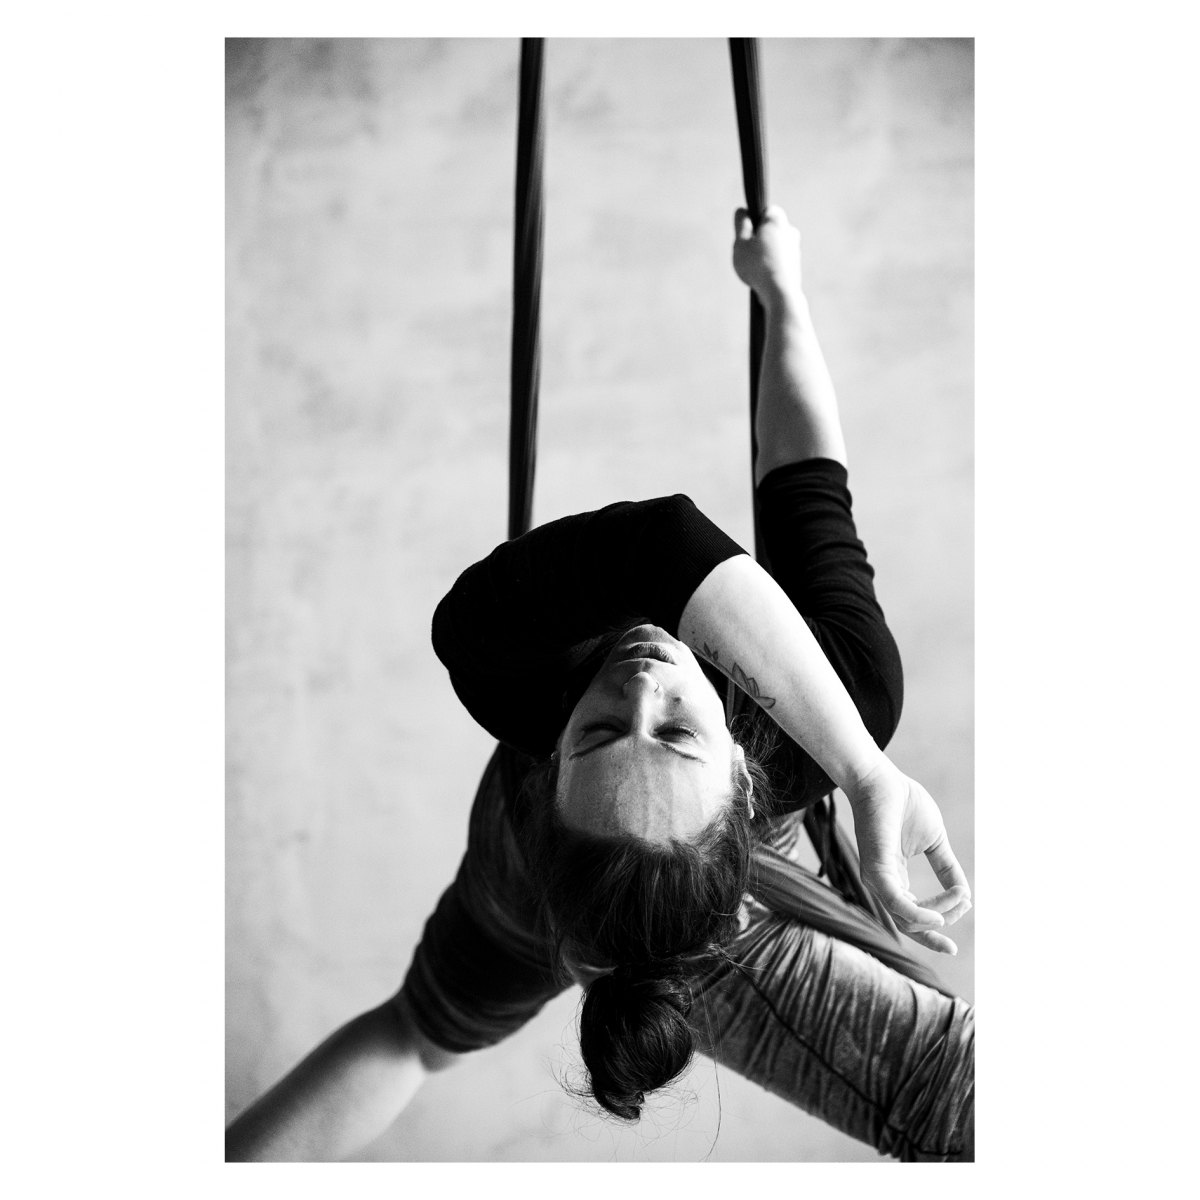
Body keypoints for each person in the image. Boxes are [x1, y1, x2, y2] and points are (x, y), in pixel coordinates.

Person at [226, 206, 974, 1162]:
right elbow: (803, 487)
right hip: (689, 889)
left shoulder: (497, 653)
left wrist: (870, 775)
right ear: (748, 775)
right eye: (676, 734)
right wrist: (783, 295)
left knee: (418, 1029)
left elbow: (662, 543)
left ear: (548, 765)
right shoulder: (841, 704)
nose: (644, 683)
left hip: (532, 873)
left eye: (602, 730)